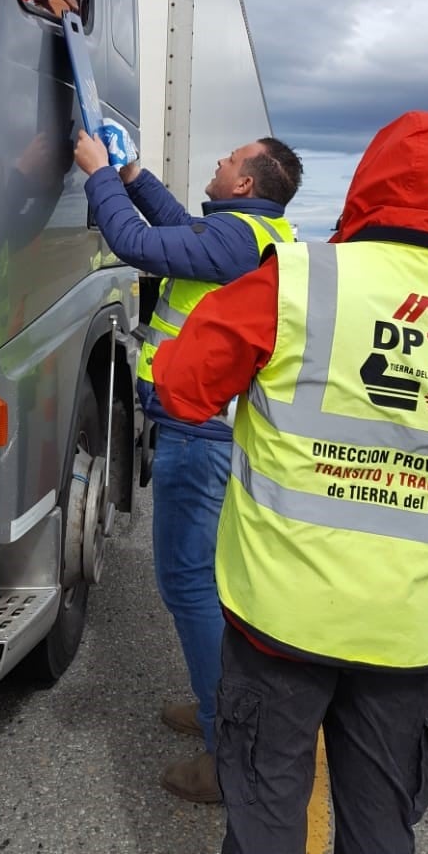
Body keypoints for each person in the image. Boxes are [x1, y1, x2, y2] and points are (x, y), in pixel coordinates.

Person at [152, 110, 428, 854]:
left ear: (367, 183)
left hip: (280, 615)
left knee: (270, 808)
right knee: (378, 823)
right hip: (404, 630)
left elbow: (180, 387)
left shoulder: (299, 279)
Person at [74, 129, 302, 803]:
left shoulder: (236, 242)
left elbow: (140, 244)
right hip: (211, 431)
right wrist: (137, 176)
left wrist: (99, 176)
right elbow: (176, 230)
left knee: (190, 587)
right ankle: (220, 711)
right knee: (207, 586)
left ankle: (223, 743)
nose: (218, 160)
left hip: (198, 436)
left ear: (245, 186)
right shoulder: (255, 237)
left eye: (228, 159)